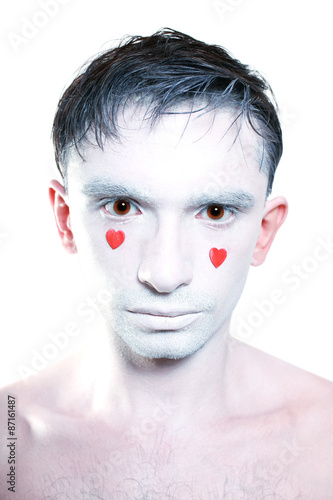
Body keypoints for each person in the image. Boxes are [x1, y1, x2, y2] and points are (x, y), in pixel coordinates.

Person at [1, 28, 332, 499]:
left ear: (265, 231)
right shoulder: (9, 444)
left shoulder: (328, 444)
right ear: (65, 218)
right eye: (121, 207)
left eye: (215, 212)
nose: (164, 273)